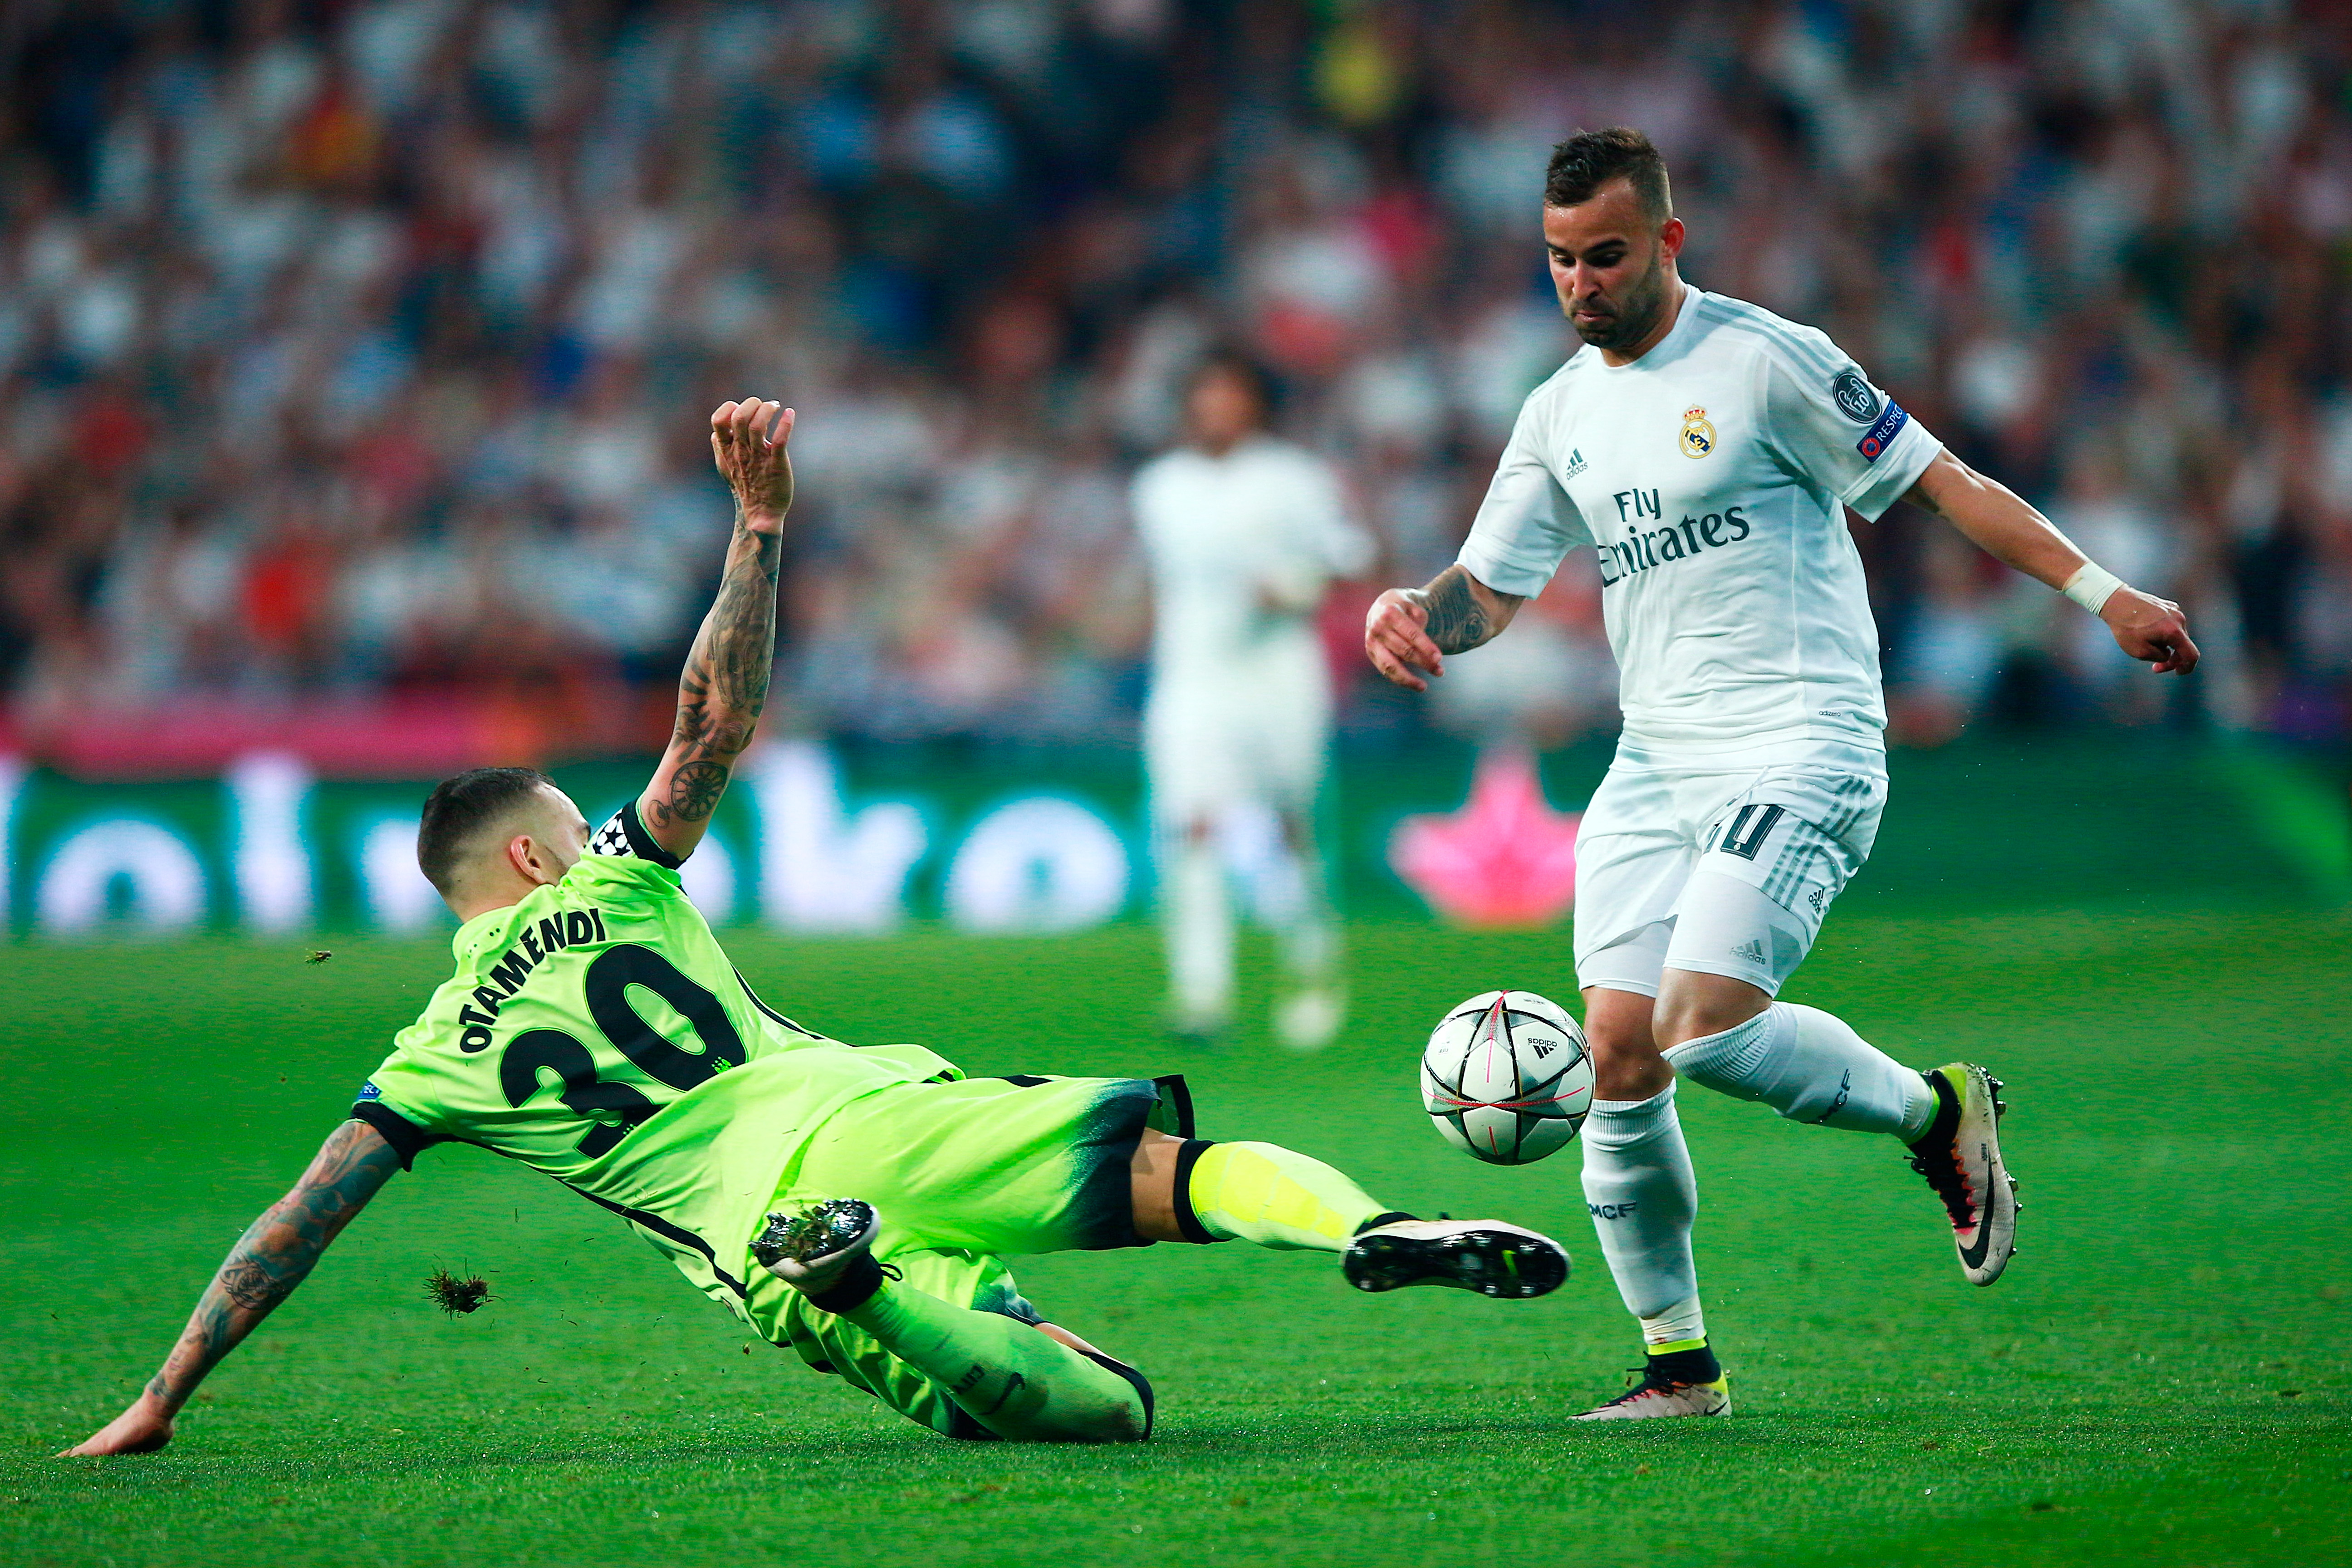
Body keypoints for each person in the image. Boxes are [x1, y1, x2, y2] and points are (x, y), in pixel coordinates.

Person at [65, 398, 1569, 1458]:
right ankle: (1364, 1227)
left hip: (752, 1224)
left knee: (1104, 1410)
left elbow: (296, 1224)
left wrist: (168, 1388)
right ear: (532, 850)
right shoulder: (610, 873)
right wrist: (761, 526)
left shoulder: (431, 1058)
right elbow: (715, 715)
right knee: (1173, 1174)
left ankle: (860, 1286)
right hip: (868, 1107)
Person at [1363, 130, 2197, 1421]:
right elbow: (1490, 590)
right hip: (1655, 762)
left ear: (1668, 241)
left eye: (1607, 255)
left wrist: (2104, 593)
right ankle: (1679, 1371)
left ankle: (1936, 1115)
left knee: (1706, 1025)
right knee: (1621, 1059)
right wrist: (1413, 612)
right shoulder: (1559, 413)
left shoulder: (1766, 361)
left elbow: (1946, 485)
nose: (1581, 284)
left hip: (1800, 739)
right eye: (1560, 260)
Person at [1131, 353, 1372, 1050]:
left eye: (1229, 395)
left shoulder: (1294, 478)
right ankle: (1201, 990)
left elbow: (1350, 556)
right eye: (1204, 395)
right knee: (1192, 826)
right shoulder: (1159, 486)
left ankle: (1312, 968)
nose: (1216, 409)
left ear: (1254, 404)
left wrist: (1296, 585)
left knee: (1290, 823)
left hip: (1279, 672)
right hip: (1192, 677)